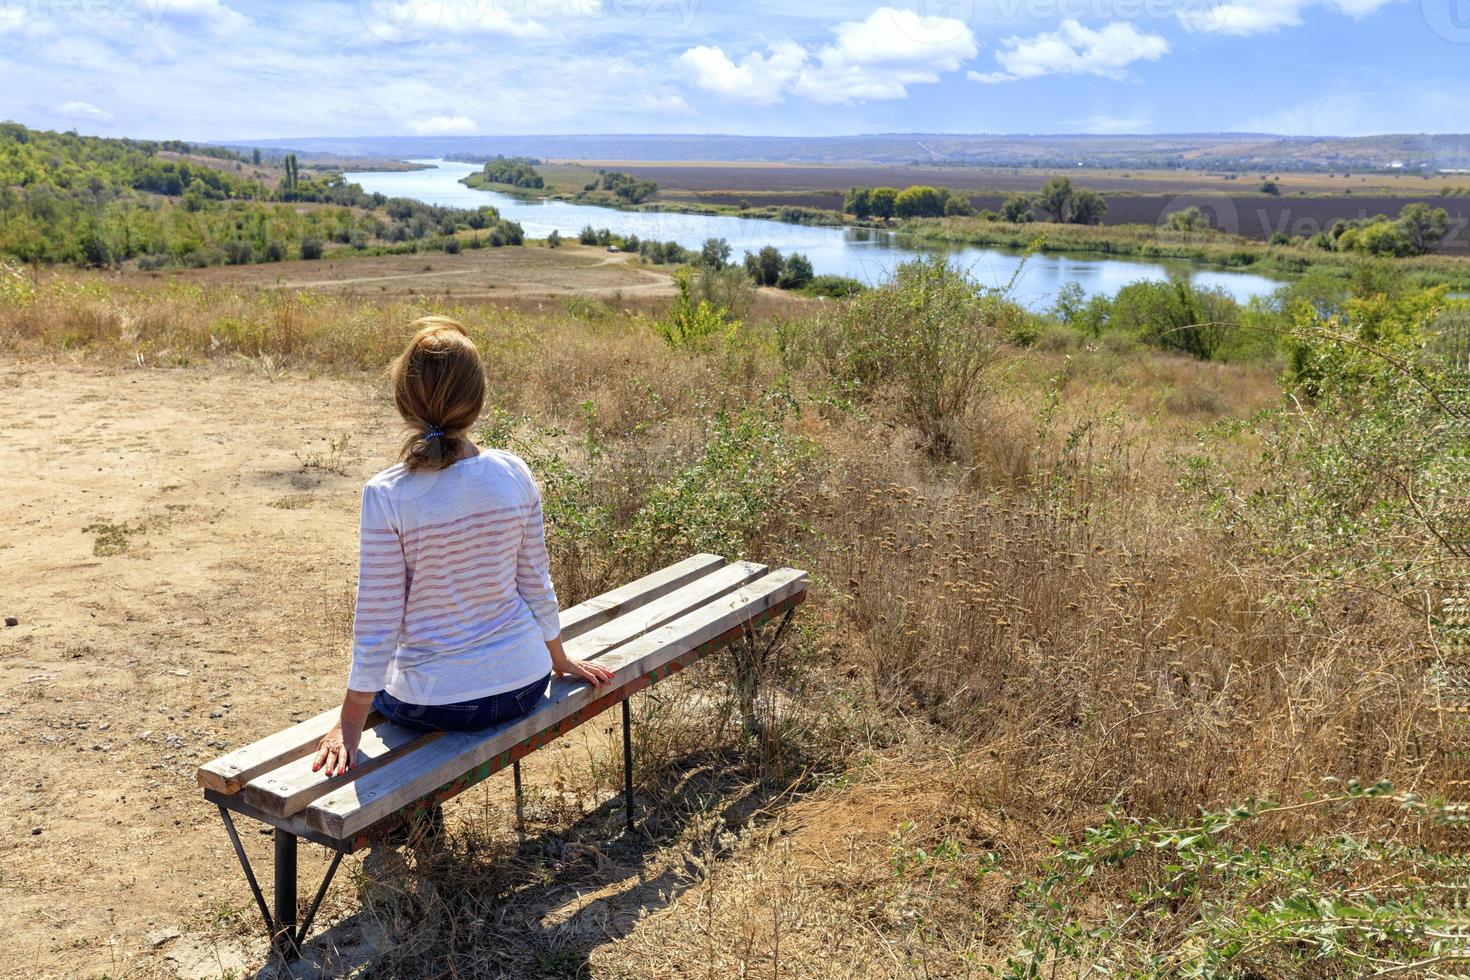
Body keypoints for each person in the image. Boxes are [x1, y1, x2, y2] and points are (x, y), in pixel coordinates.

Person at [313, 316, 614, 777]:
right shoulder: (514, 473)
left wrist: (349, 723)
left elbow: (378, 620)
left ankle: (409, 832)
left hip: (432, 704)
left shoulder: (388, 494)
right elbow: (535, 581)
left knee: (390, 689)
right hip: (524, 683)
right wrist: (558, 658)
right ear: (477, 401)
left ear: (405, 404)